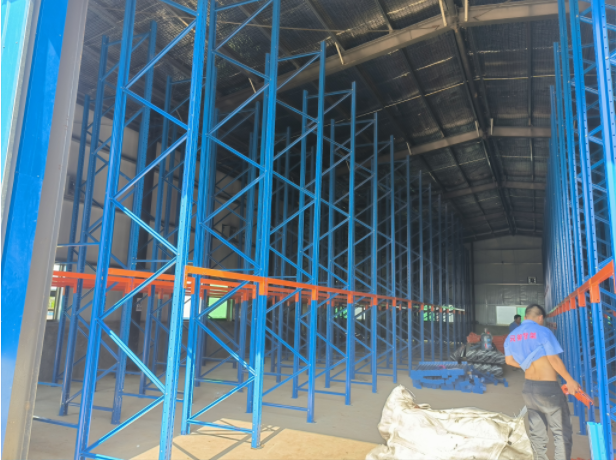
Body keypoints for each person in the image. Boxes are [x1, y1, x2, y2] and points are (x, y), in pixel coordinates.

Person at [504, 304, 579, 460]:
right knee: (561, 433)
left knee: (537, 434)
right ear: (540, 318)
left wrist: (526, 364)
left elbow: (509, 361)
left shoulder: (511, 336)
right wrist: (569, 380)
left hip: (529, 389)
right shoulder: (543, 331)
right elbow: (554, 359)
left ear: (525, 317)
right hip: (548, 389)